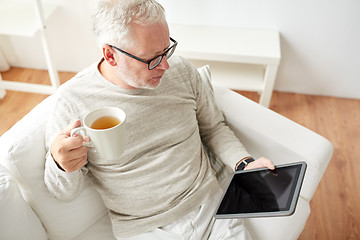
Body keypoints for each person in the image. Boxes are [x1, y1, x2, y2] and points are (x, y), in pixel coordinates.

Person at [44, 0, 275, 239]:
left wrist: (245, 164)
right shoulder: (72, 102)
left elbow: (213, 128)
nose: (165, 65)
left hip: (211, 207)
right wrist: (60, 164)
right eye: (152, 58)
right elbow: (63, 193)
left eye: (167, 49)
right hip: (146, 228)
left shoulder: (181, 70)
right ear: (110, 55)